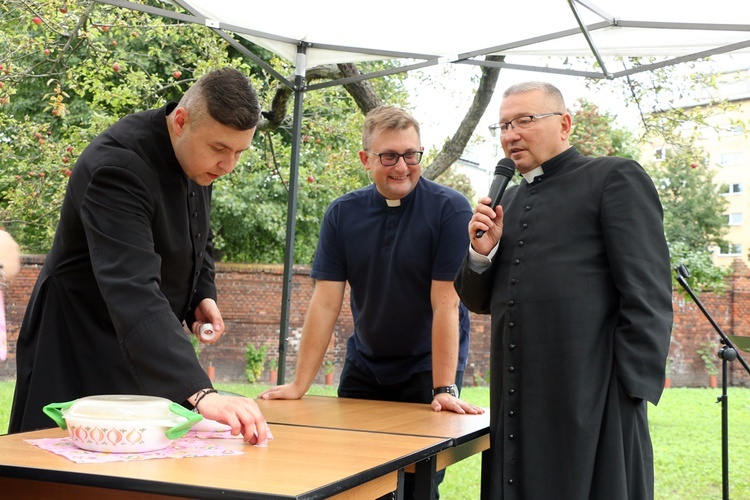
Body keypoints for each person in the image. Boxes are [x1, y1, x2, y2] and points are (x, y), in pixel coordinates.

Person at [9, 68, 269, 445]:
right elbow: (132, 287)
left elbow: (198, 236)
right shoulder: (118, 168)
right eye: (219, 149)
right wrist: (200, 392)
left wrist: (201, 295)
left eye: (238, 152)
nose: (228, 165)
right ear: (181, 121)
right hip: (79, 343)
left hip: (142, 340)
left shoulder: (196, 158)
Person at [454, 81, 673, 499]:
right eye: (502, 126)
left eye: (524, 121)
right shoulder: (510, 201)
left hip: (591, 396)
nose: (510, 134)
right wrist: (481, 253)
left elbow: (647, 294)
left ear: (564, 124)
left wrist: (627, 393)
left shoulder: (613, 177)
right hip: (517, 398)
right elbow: (478, 300)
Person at [260, 105, 484, 497]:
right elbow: (325, 302)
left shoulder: (450, 209)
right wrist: (299, 384)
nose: (402, 166)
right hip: (364, 367)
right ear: (366, 159)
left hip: (427, 372)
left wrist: (445, 388)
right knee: (356, 481)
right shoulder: (342, 213)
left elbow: (446, 304)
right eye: (389, 156)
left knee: (418, 485)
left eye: (411, 154)